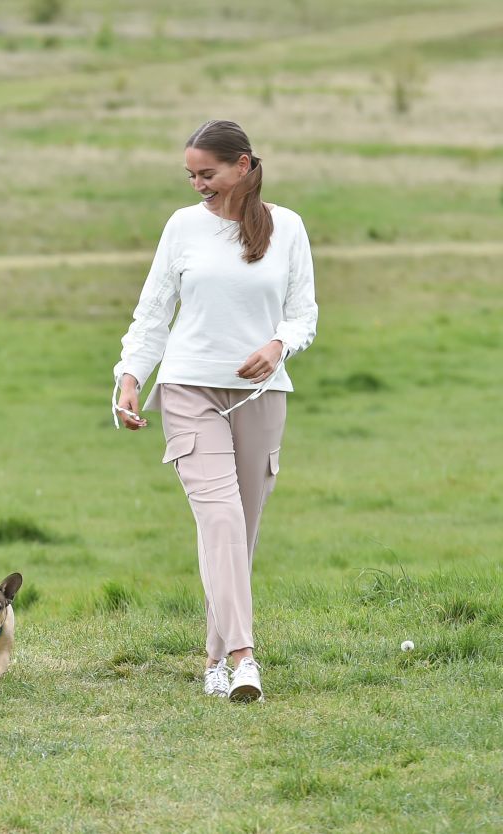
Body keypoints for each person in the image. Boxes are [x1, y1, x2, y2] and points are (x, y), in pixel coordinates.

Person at [111, 119, 318, 702]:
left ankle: (212, 660)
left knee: (239, 534)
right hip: (187, 389)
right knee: (220, 522)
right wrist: (129, 377)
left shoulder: (288, 228)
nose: (198, 184)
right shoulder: (182, 227)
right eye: (191, 175)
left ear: (244, 165)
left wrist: (279, 345)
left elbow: (304, 314)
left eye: (209, 173)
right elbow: (153, 312)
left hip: (261, 394)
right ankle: (243, 658)